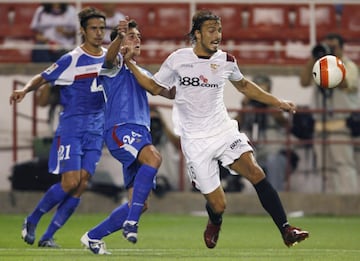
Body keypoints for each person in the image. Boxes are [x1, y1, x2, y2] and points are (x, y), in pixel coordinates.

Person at [123, 10, 309, 248]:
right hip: (195, 140)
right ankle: (215, 220)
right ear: (197, 34)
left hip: (223, 131)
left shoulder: (226, 61)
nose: (217, 35)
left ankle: (286, 229)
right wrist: (129, 62)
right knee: (219, 204)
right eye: (212, 30)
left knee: (255, 171)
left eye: (219, 30)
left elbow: (244, 85)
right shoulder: (178, 59)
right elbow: (154, 87)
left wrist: (278, 102)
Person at [9, 7, 107, 248]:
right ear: (83, 31)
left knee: (82, 183)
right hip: (72, 129)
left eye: (102, 28)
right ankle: (32, 220)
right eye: (93, 28)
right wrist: (24, 90)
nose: (98, 33)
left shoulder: (109, 57)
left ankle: (47, 236)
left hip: (97, 130)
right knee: (70, 182)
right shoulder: (71, 59)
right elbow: (42, 77)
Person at [80, 19, 174, 255]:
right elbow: (109, 57)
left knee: (140, 204)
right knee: (154, 158)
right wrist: (119, 38)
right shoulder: (114, 65)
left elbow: (166, 91)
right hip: (120, 129)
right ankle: (131, 224)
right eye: (132, 36)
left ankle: (92, 236)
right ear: (120, 40)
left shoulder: (142, 71)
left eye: (138, 36)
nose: (137, 40)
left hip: (141, 133)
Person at [300, 33, 359, 194]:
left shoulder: (348, 65)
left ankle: (350, 202)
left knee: (344, 165)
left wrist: (332, 64)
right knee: (325, 168)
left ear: (341, 48)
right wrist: (315, 59)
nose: (329, 50)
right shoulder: (320, 66)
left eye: (332, 47)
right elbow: (304, 81)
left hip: (341, 125)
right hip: (320, 125)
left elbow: (346, 83)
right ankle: (332, 202)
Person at [236, 74, 298, 191]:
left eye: (263, 90)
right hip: (255, 156)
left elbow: (284, 122)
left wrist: (267, 102)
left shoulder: (276, 107)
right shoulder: (248, 109)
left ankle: (276, 203)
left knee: (273, 162)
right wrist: (244, 106)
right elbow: (235, 126)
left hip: (277, 155)